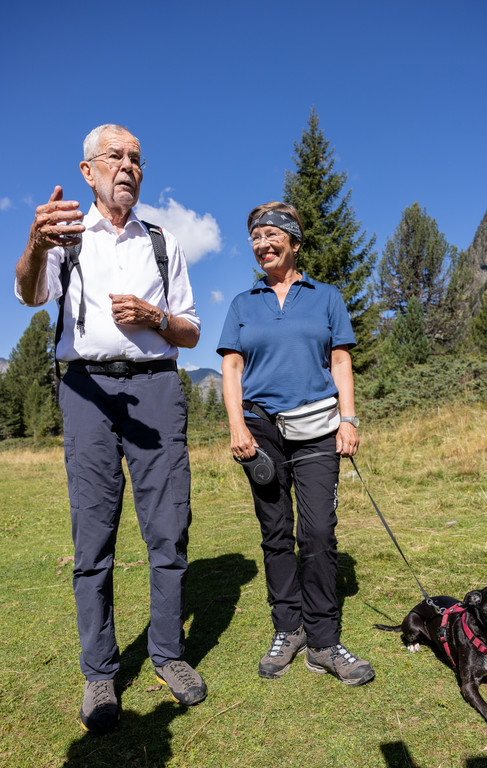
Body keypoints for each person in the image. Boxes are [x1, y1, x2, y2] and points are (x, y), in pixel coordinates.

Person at [15, 124, 206, 734]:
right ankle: (99, 672)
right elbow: (28, 294)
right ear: (88, 170)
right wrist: (35, 243)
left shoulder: (162, 243)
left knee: (169, 529)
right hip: (87, 392)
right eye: (115, 156)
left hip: (156, 389)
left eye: (136, 159)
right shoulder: (65, 239)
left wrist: (155, 316)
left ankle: (168, 655)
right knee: (93, 535)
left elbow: (191, 331)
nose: (128, 166)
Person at [217, 201, 374, 686]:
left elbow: (341, 360)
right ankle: (289, 628)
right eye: (255, 237)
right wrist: (237, 425)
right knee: (275, 532)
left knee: (319, 532)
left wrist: (348, 420)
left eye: (271, 234)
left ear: (295, 241)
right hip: (260, 429)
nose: (262, 244)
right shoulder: (243, 303)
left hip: (318, 428)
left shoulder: (326, 297)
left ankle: (324, 641)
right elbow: (231, 367)